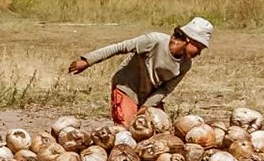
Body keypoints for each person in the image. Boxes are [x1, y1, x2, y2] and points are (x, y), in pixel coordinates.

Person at [68, 17, 213, 124]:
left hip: (148, 96)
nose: (199, 53)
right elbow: (120, 47)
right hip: (127, 88)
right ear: (189, 40)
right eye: (199, 48)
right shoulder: (155, 41)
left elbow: (166, 89)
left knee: (158, 131)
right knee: (127, 130)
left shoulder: (185, 65)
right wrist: (87, 61)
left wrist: (146, 106)